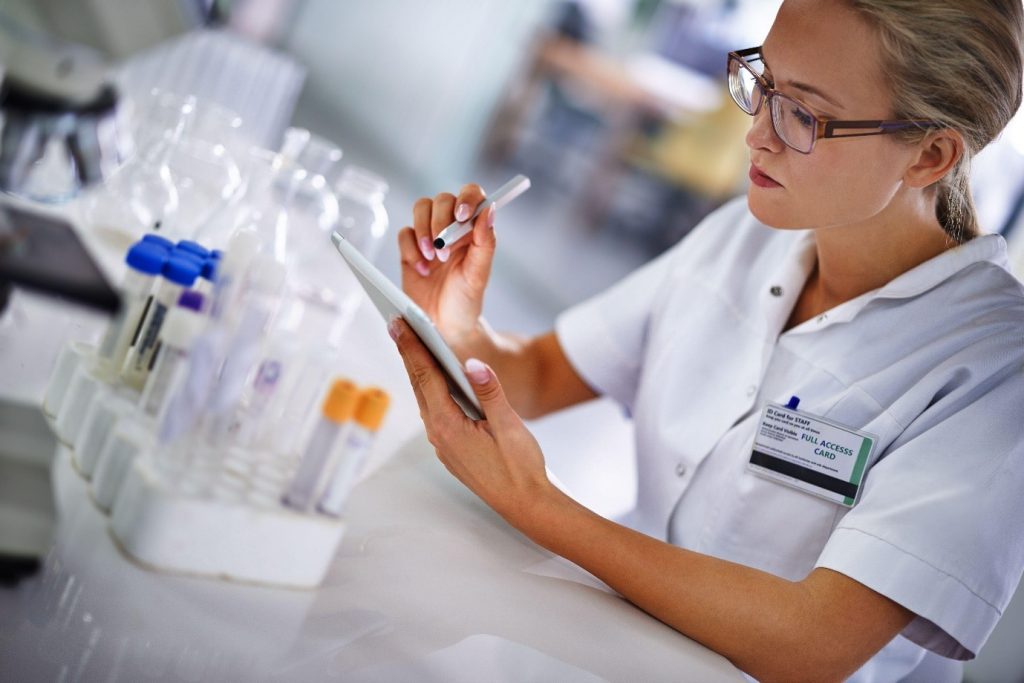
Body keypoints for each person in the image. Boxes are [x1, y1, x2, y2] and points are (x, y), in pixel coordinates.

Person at [388, 0, 1024, 680]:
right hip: (599, 642)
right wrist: (455, 323)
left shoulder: (994, 367)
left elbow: (814, 644)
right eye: (763, 83)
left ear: (932, 154)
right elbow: (540, 376)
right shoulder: (744, 234)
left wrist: (537, 505)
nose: (755, 134)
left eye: (803, 115)